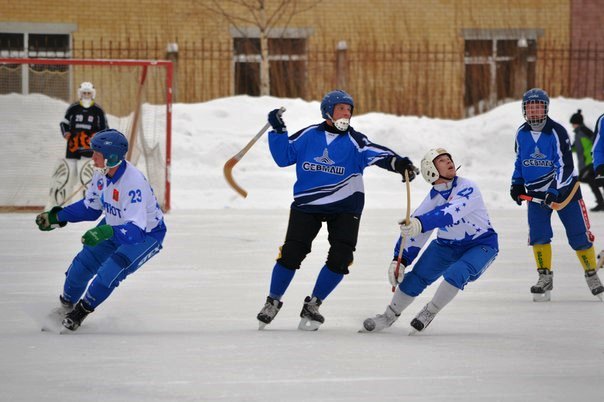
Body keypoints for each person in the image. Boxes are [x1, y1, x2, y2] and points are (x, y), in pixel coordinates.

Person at [256, 89, 419, 331]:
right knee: (291, 253)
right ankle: (272, 301)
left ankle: (314, 304)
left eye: (349, 109)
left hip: (345, 206)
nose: (346, 113)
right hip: (307, 205)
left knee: (341, 257)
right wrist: (279, 131)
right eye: (341, 108)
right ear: (327, 112)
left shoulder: (356, 141)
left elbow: (379, 154)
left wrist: (400, 164)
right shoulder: (310, 135)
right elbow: (284, 157)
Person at [35, 129, 166, 331]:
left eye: (97, 153)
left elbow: (136, 231)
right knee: (81, 267)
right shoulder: (101, 174)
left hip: (146, 234)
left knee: (111, 271)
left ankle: (81, 312)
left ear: (111, 157)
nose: (92, 157)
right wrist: (57, 216)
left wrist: (105, 232)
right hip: (113, 225)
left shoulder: (133, 184)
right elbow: (91, 208)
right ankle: (65, 306)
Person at [361, 148, 499, 334]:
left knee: (458, 272)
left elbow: (451, 212)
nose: (449, 161)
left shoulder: (468, 187)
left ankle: (429, 312)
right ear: (430, 170)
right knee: (415, 278)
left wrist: (421, 223)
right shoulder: (431, 199)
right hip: (445, 246)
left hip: (481, 244)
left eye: (448, 158)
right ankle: (388, 317)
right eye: (441, 160)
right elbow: (415, 233)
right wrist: (400, 260)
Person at [510, 88, 603, 302]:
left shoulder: (557, 132)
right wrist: (516, 183)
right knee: (538, 236)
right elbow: (520, 161)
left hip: (565, 193)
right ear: (524, 110)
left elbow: (565, 166)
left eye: (538, 106)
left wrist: (553, 190)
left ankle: (591, 274)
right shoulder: (521, 133)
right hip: (536, 195)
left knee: (579, 236)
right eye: (530, 107)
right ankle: (544, 276)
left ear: (545, 108)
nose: (534, 111)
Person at [47, 81, 109, 208]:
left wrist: (97, 140)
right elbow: (63, 124)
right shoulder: (73, 108)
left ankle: (91, 205)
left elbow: (105, 129)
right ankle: (61, 205)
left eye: (88, 93)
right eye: (84, 93)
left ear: (93, 94)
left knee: (88, 178)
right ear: (80, 94)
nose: (86, 95)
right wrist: (67, 134)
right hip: (73, 150)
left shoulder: (98, 111)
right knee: (67, 178)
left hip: (90, 153)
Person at [569, 109, 604, 211]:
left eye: (573, 123)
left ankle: (600, 202)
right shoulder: (578, 133)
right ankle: (601, 202)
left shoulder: (583, 130)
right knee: (593, 181)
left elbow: (596, 141)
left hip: (591, 162)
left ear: (576, 123)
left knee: (591, 180)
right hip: (585, 163)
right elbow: (576, 147)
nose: (572, 125)